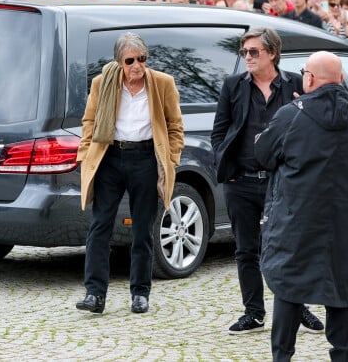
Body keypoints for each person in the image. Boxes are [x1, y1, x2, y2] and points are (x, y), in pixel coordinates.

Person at [253, 50, 348, 362]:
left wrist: (292, 111)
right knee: (339, 287)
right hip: (342, 218)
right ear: (341, 79)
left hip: (296, 215)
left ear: (310, 78)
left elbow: (263, 153)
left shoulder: (292, 114)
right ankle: (343, 354)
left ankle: (282, 356)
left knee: (289, 285)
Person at [210, 27, 324, 335]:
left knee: (290, 247)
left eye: (253, 52)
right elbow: (219, 131)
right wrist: (227, 166)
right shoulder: (233, 86)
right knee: (246, 250)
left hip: (283, 181)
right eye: (244, 52)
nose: (247, 57)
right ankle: (254, 312)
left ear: (272, 53)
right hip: (241, 181)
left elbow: (314, 127)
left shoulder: (296, 84)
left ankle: (297, 309)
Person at [75, 32, 184, 315]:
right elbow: (89, 121)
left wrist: (170, 159)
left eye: (143, 59)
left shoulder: (162, 83)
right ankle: (95, 294)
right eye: (131, 60)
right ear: (119, 62)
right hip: (110, 157)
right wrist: (85, 155)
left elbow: (175, 126)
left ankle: (140, 293)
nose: (138, 65)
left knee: (143, 228)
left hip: (146, 158)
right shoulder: (103, 83)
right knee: (100, 226)